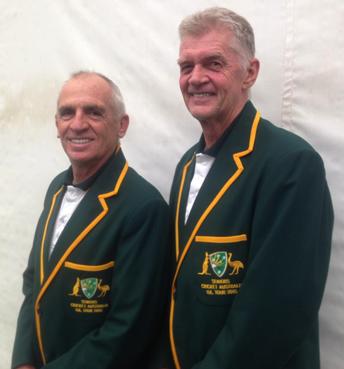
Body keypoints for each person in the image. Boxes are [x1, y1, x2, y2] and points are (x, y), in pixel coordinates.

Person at [168, 7, 333, 369]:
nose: (196, 78)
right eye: (186, 66)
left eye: (213, 63)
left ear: (250, 73)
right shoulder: (185, 167)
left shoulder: (292, 164)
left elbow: (277, 312)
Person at [12, 71, 171, 369]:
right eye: (67, 113)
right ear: (57, 125)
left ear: (122, 125)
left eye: (94, 112)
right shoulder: (57, 188)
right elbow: (34, 284)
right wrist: (23, 361)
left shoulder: (144, 208)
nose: (78, 124)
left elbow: (129, 329)